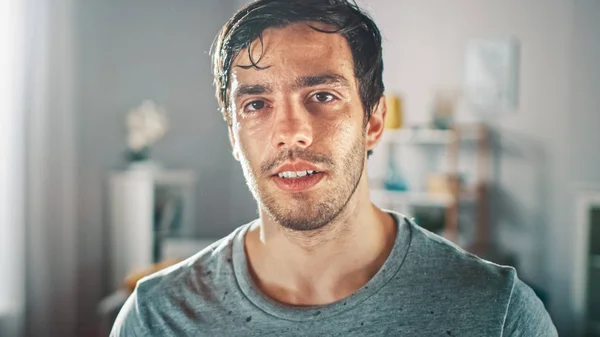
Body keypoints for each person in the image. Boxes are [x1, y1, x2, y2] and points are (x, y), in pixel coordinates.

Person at [111, 0, 557, 335]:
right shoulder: (156, 317)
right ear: (233, 136)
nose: (291, 132)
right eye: (257, 104)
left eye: (322, 96)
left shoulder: (498, 314)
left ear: (374, 121)